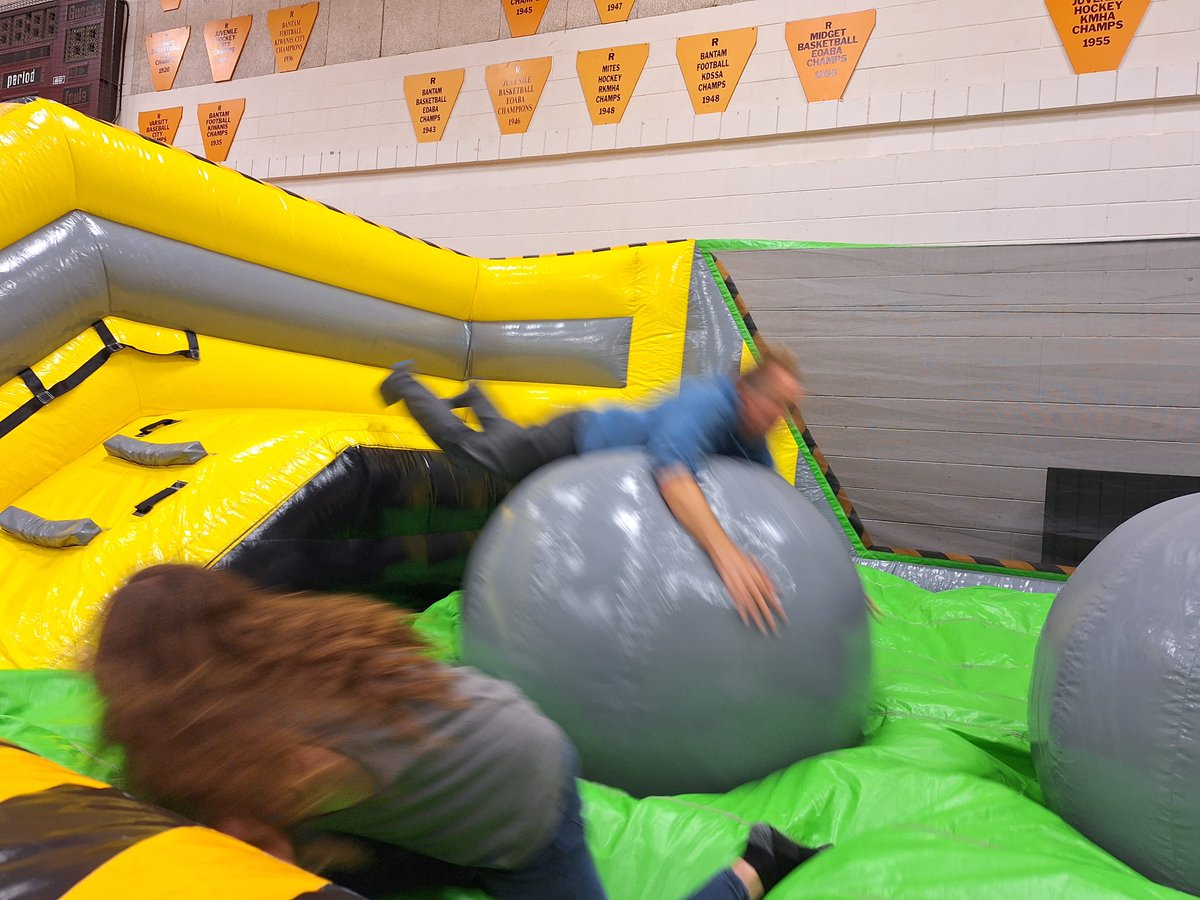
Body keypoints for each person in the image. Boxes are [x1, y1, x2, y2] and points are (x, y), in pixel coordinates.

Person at [92, 564, 827, 900]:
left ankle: (754, 867)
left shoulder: (271, 743)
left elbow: (273, 844)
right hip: (486, 728)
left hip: (524, 794)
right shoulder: (283, 640)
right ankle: (457, 862)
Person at [381, 347, 806, 635]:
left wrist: (813, 560)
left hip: (592, 474)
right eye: (778, 404)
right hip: (575, 440)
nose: (780, 418)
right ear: (747, 394)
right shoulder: (707, 403)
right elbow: (672, 472)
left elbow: (772, 495)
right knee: (474, 454)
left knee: (508, 455)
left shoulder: (748, 430)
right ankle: (404, 382)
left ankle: (478, 397)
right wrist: (727, 554)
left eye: (787, 408)